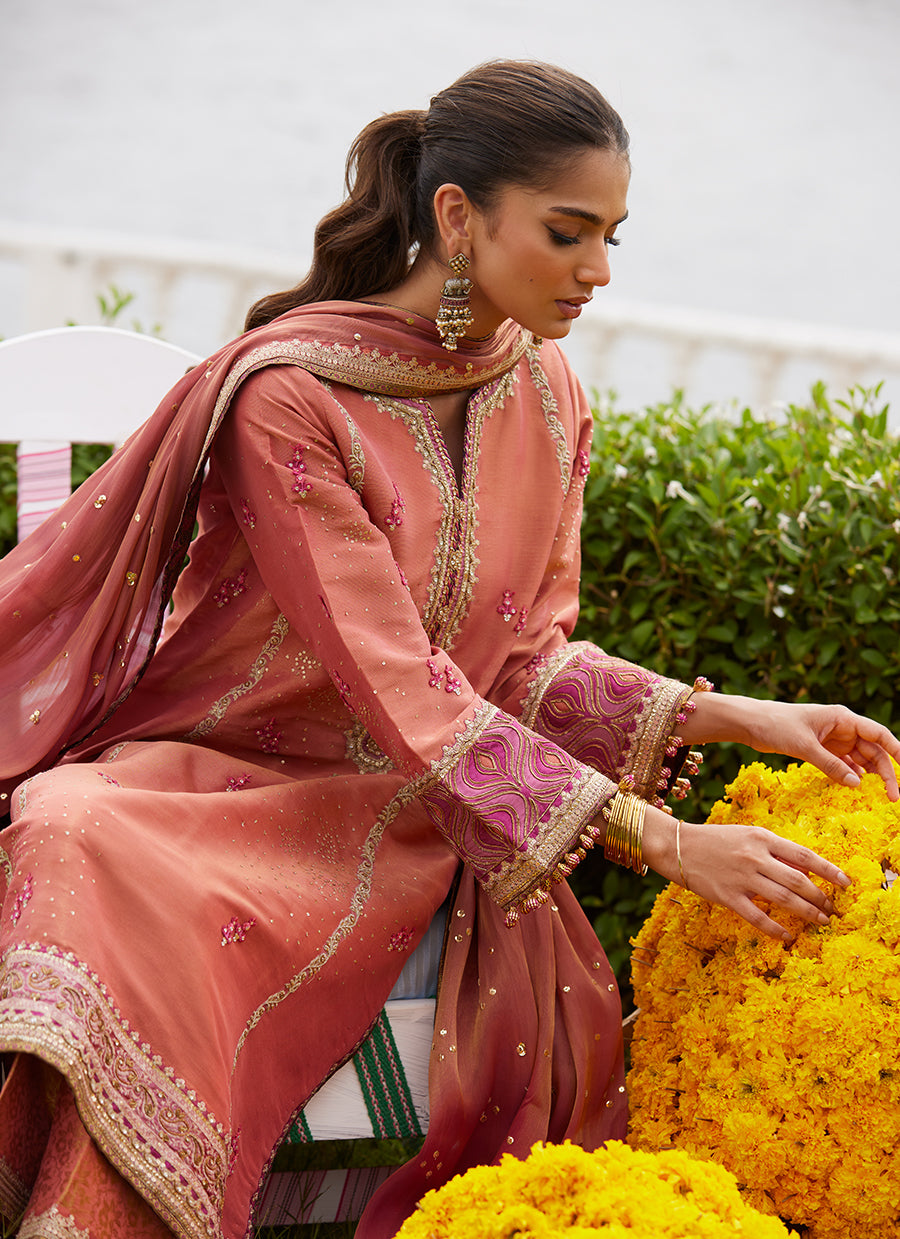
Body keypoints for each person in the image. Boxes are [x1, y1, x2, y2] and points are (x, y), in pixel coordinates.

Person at [0, 60, 897, 1239]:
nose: (600, 270)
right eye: (569, 232)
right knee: (74, 826)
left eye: (614, 235)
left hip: (418, 812)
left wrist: (737, 716)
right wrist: (670, 842)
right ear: (459, 217)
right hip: (236, 782)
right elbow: (401, 684)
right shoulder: (292, 401)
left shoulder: (548, 390)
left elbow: (516, 668)